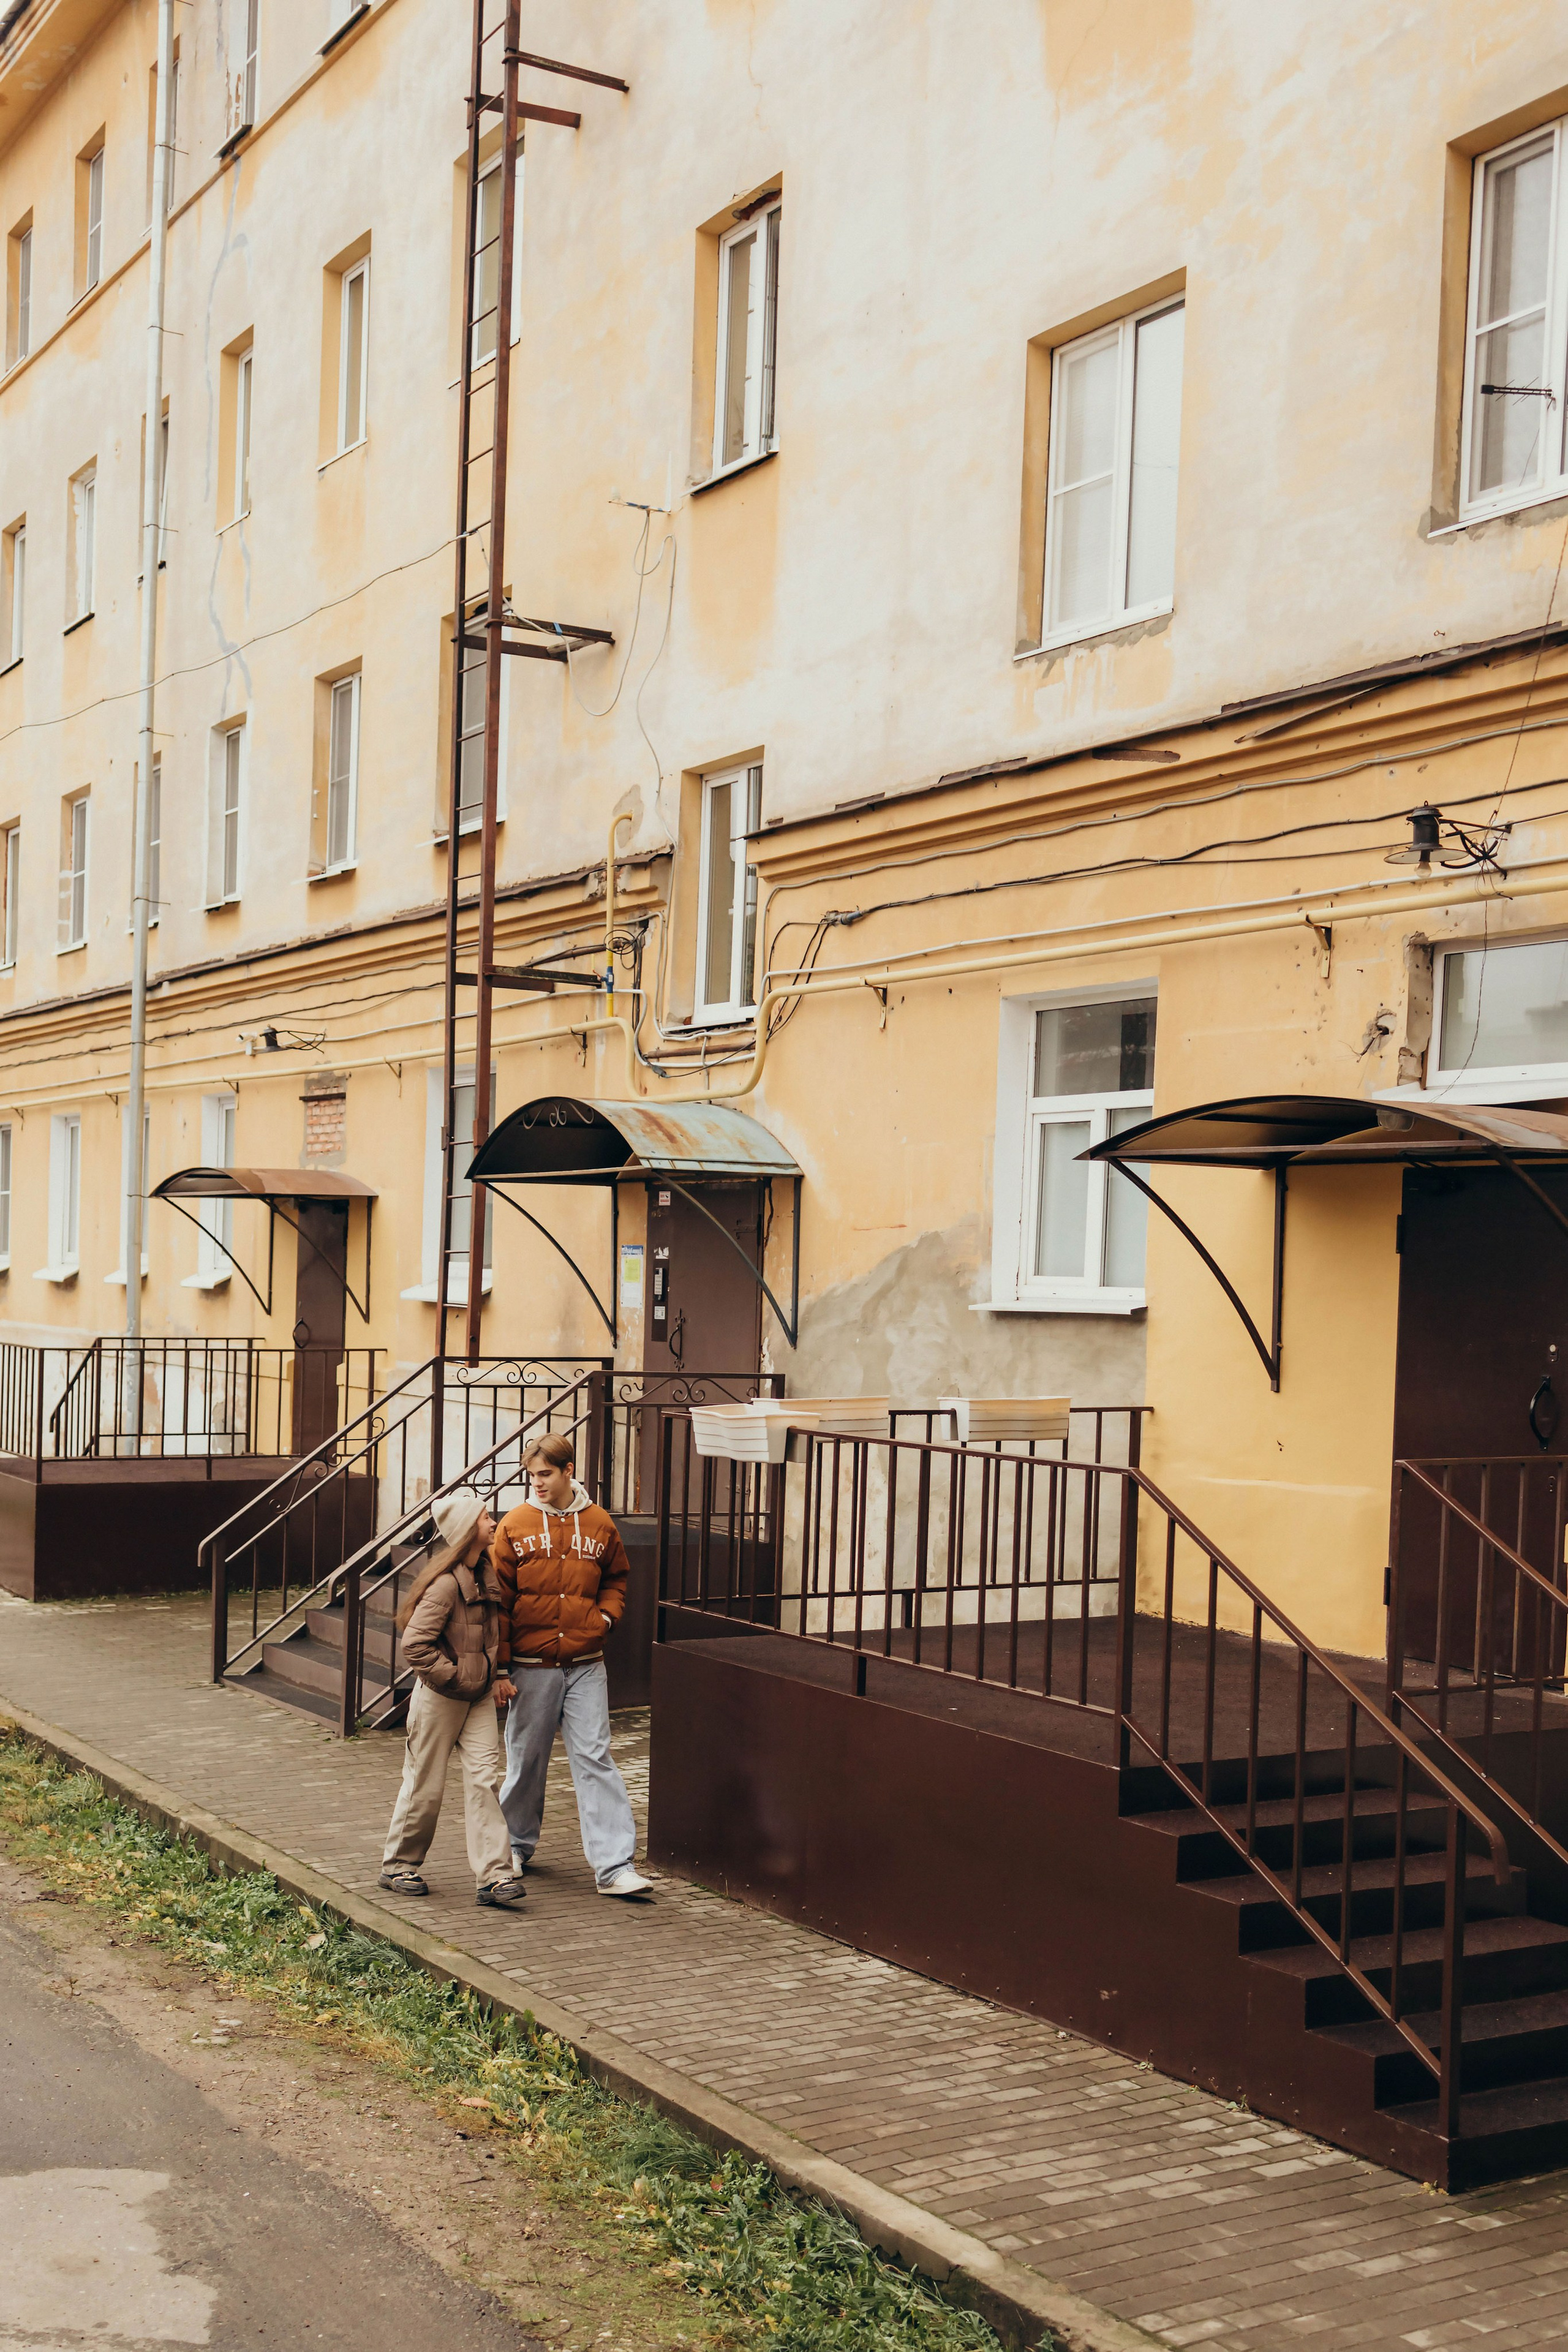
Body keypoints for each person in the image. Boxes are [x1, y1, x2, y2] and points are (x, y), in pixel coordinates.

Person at [494, 1431, 652, 1898]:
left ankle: (614, 1866)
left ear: (568, 1471)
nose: (537, 1483)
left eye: (545, 1474)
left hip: (586, 1662)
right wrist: (502, 1669)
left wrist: (604, 1618)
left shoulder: (600, 1523)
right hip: (529, 1664)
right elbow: (499, 1601)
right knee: (526, 1760)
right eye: (531, 1475)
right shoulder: (515, 1524)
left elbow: (616, 1577)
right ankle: (514, 1848)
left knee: (595, 1757)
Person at [379, 1488, 527, 1909]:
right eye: (485, 1518)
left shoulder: (486, 1573)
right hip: (441, 1698)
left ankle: (494, 1879)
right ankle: (398, 1867)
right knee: (426, 1784)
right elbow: (415, 1645)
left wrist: (496, 1675)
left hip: (478, 1698)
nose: (493, 1523)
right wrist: (458, 1677)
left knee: (483, 1781)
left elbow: (493, 1633)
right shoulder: (445, 1585)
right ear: (467, 1531)